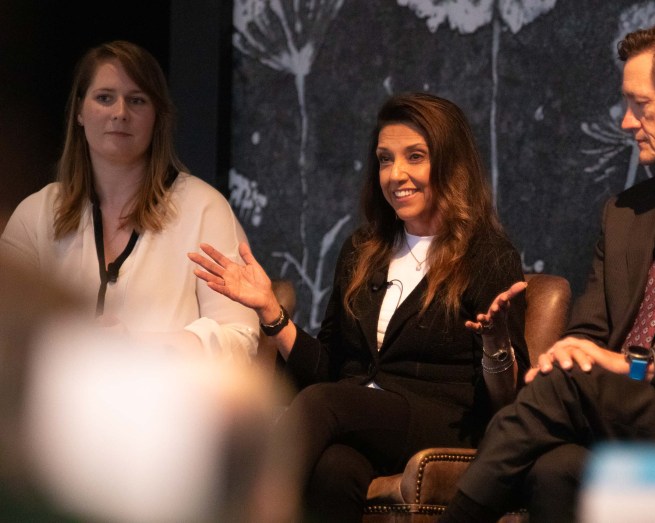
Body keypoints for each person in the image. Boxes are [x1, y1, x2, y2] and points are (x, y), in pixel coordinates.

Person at [440, 18, 655, 523]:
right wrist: (568, 352)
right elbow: (590, 331)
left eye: (640, 105)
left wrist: (639, 366)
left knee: (565, 387)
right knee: (555, 469)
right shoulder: (627, 212)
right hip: (614, 410)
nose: (625, 122)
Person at [188, 92, 530, 521]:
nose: (396, 174)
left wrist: (496, 344)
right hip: (361, 415)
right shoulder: (363, 249)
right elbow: (332, 369)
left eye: (415, 157)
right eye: (386, 160)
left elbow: (509, 400)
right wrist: (271, 312)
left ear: (451, 163)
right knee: (336, 470)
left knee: (323, 404)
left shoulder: (488, 256)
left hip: (445, 419)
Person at [0, 41, 260, 362]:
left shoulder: (205, 209)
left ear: (156, 117)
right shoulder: (36, 213)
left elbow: (240, 339)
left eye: (137, 100)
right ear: (79, 111)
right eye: (105, 98)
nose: (120, 113)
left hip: (168, 406)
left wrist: (138, 346)